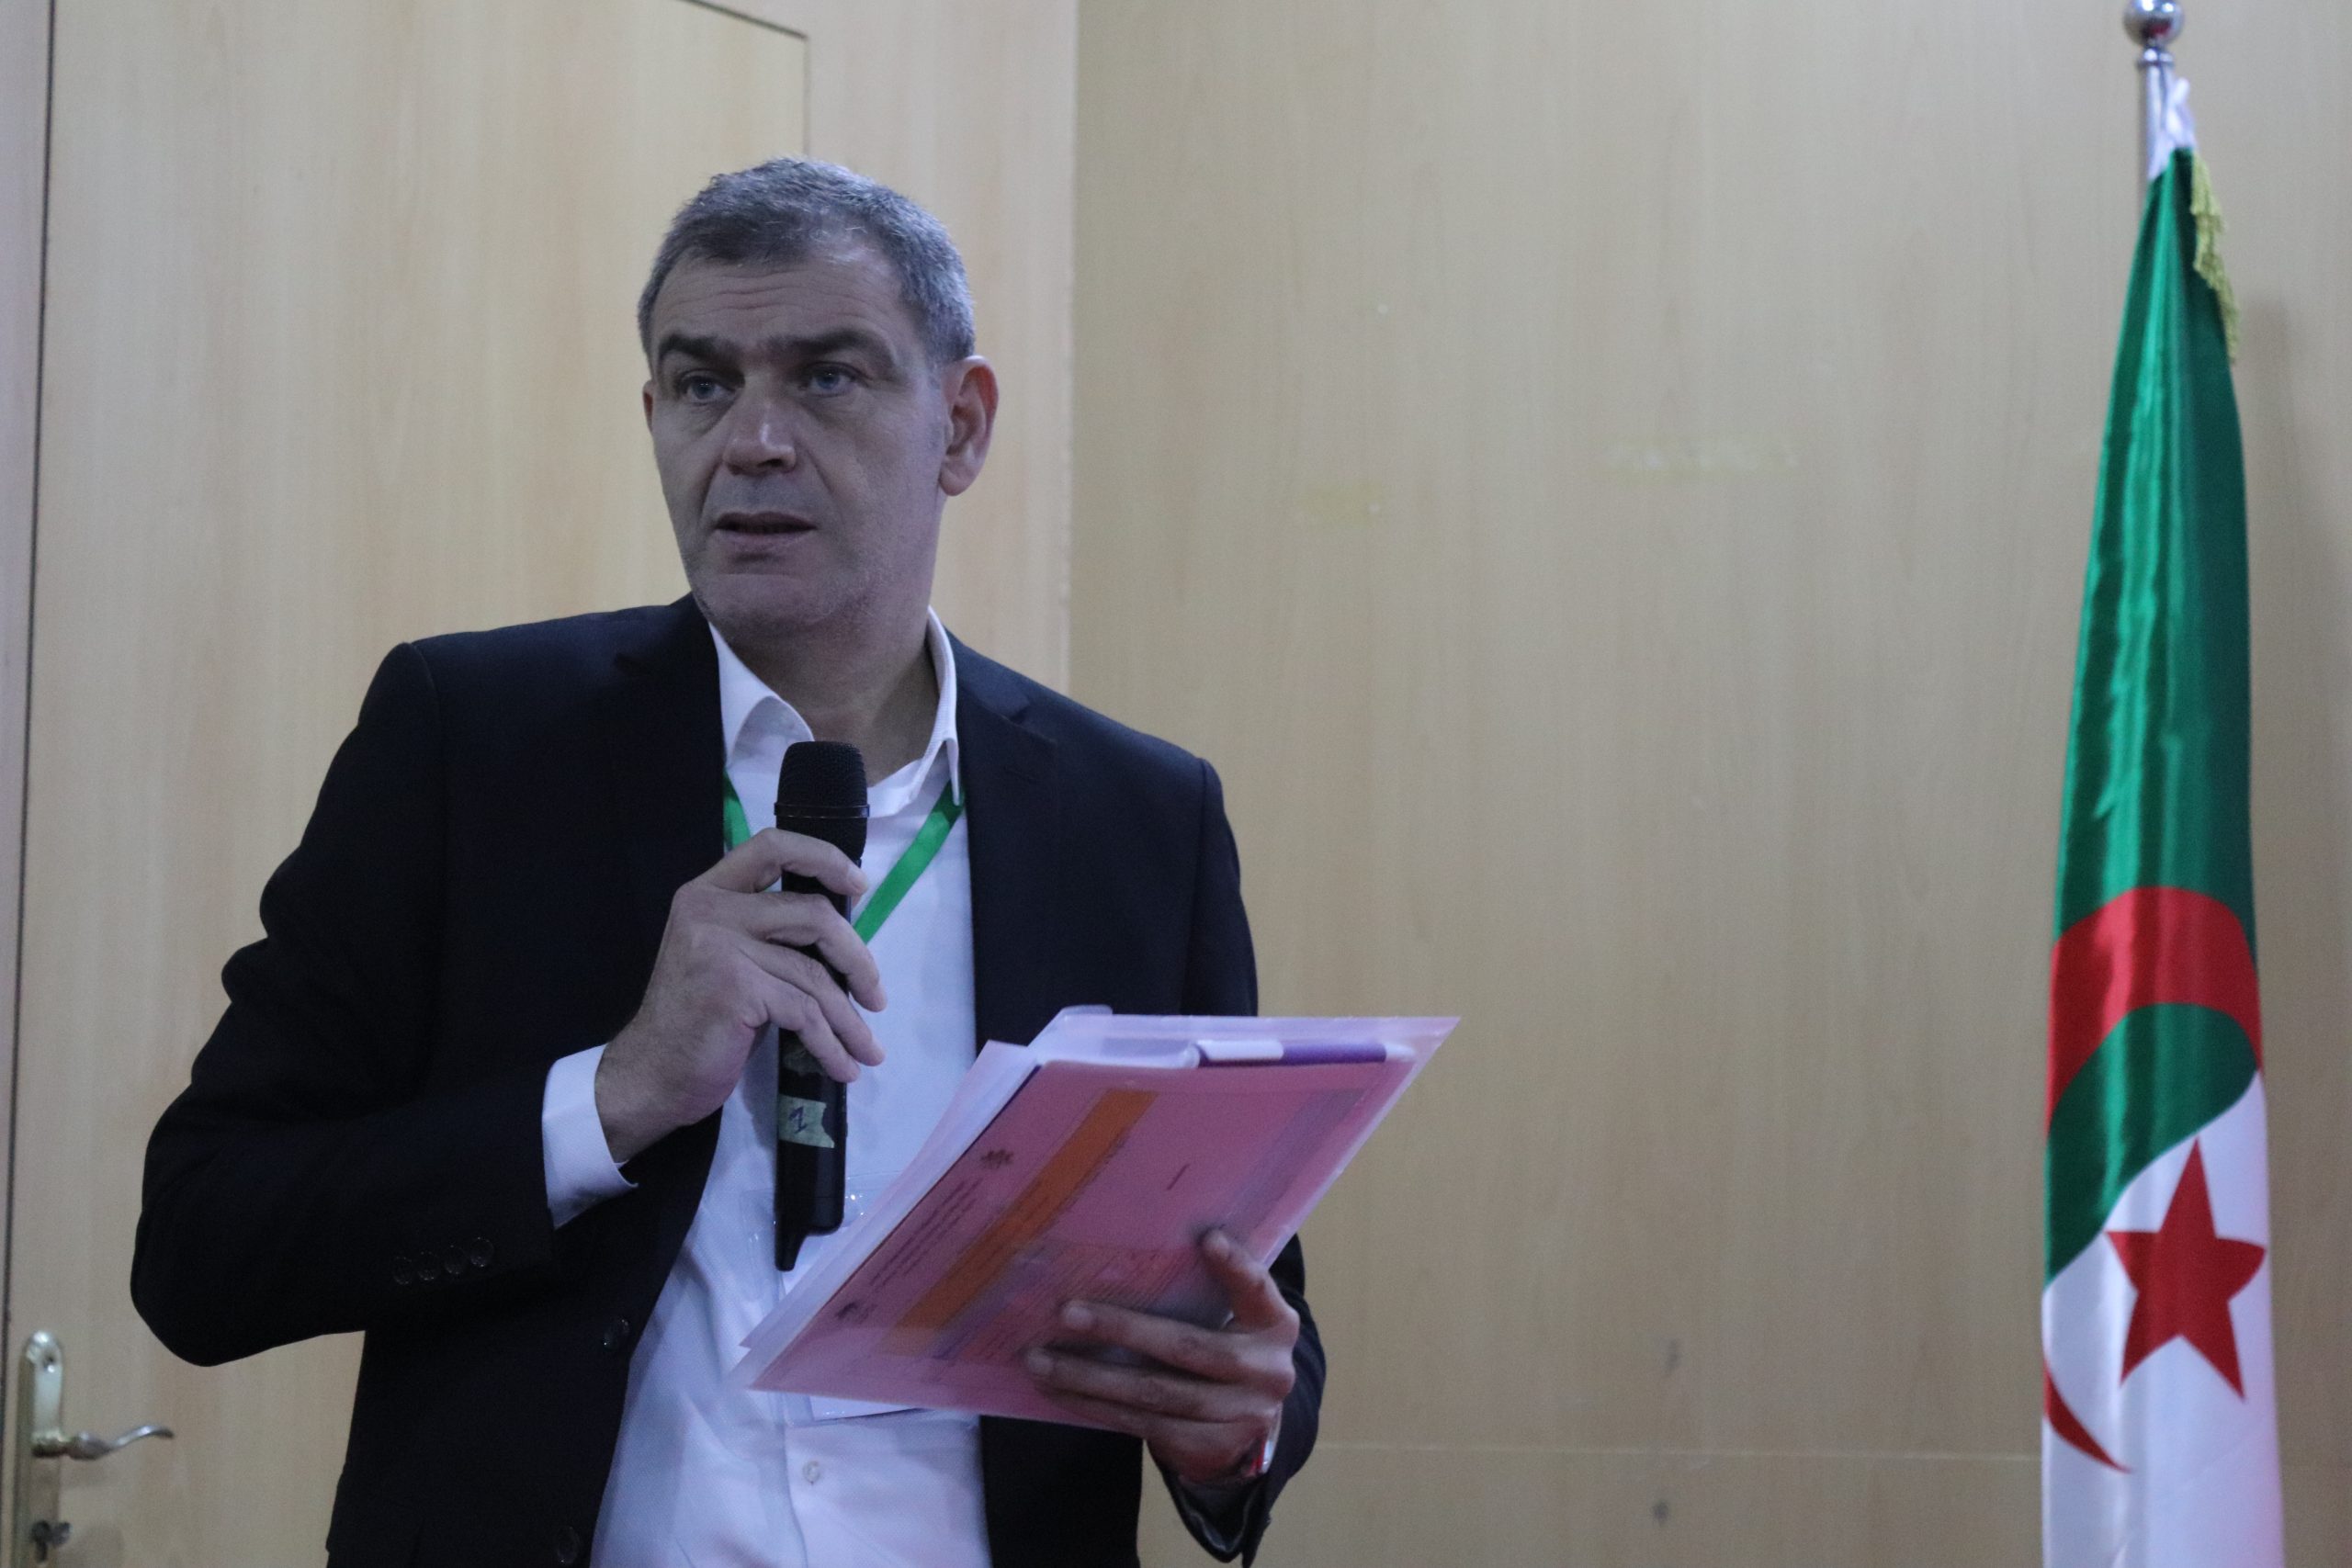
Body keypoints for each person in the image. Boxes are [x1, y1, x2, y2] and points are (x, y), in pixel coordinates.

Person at [131, 158, 1322, 1568]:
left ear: (961, 424)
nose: (753, 441)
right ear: (655, 416)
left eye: (827, 378)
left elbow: (1247, 1303)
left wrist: (1233, 1430)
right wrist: (613, 1096)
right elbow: (203, 1246)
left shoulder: (1140, 820)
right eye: (702, 384)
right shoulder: (473, 745)